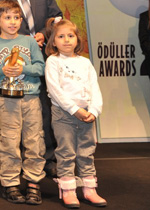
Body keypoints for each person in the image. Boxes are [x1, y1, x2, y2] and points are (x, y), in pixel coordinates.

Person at [0, 0, 62, 178]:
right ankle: (15, 164)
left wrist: (44, 33)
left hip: (40, 56)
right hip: (11, 61)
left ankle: (47, 159)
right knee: (13, 119)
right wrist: (19, 39)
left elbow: (56, 17)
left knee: (44, 110)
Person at [0, 0, 45, 205]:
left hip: (31, 98)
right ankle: (10, 183)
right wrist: (2, 70)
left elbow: (41, 68)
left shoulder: (30, 42)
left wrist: (24, 69)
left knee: (34, 141)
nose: (13, 22)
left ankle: (33, 182)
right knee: (10, 142)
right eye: (7, 18)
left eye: (16, 17)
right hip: (7, 100)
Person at [45, 18, 106, 208]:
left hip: (86, 114)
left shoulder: (85, 62)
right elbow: (55, 90)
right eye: (61, 36)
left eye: (70, 36)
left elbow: (95, 88)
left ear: (77, 39)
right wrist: (74, 109)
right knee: (66, 152)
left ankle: (89, 189)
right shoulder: (53, 61)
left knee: (87, 151)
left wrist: (94, 111)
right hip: (64, 114)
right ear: (53, 41)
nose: (66, 40)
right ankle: (68, 190)